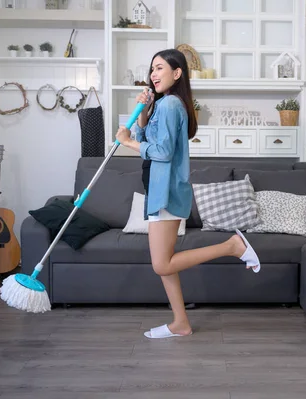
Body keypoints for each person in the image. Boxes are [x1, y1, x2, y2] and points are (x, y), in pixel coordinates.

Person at [115, 49, 261, 339]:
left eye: (159, 68)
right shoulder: (164, 104)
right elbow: (150, 138)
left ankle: (232, 246)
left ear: (177, 72)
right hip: (159, 190)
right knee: (166, 263)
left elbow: (163, 152)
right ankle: (180, 322)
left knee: (161, 264)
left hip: (166, 192)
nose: (153, 74)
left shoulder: (170, 104)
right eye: (151, 69)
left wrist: (127, 142)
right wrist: (143, 110)